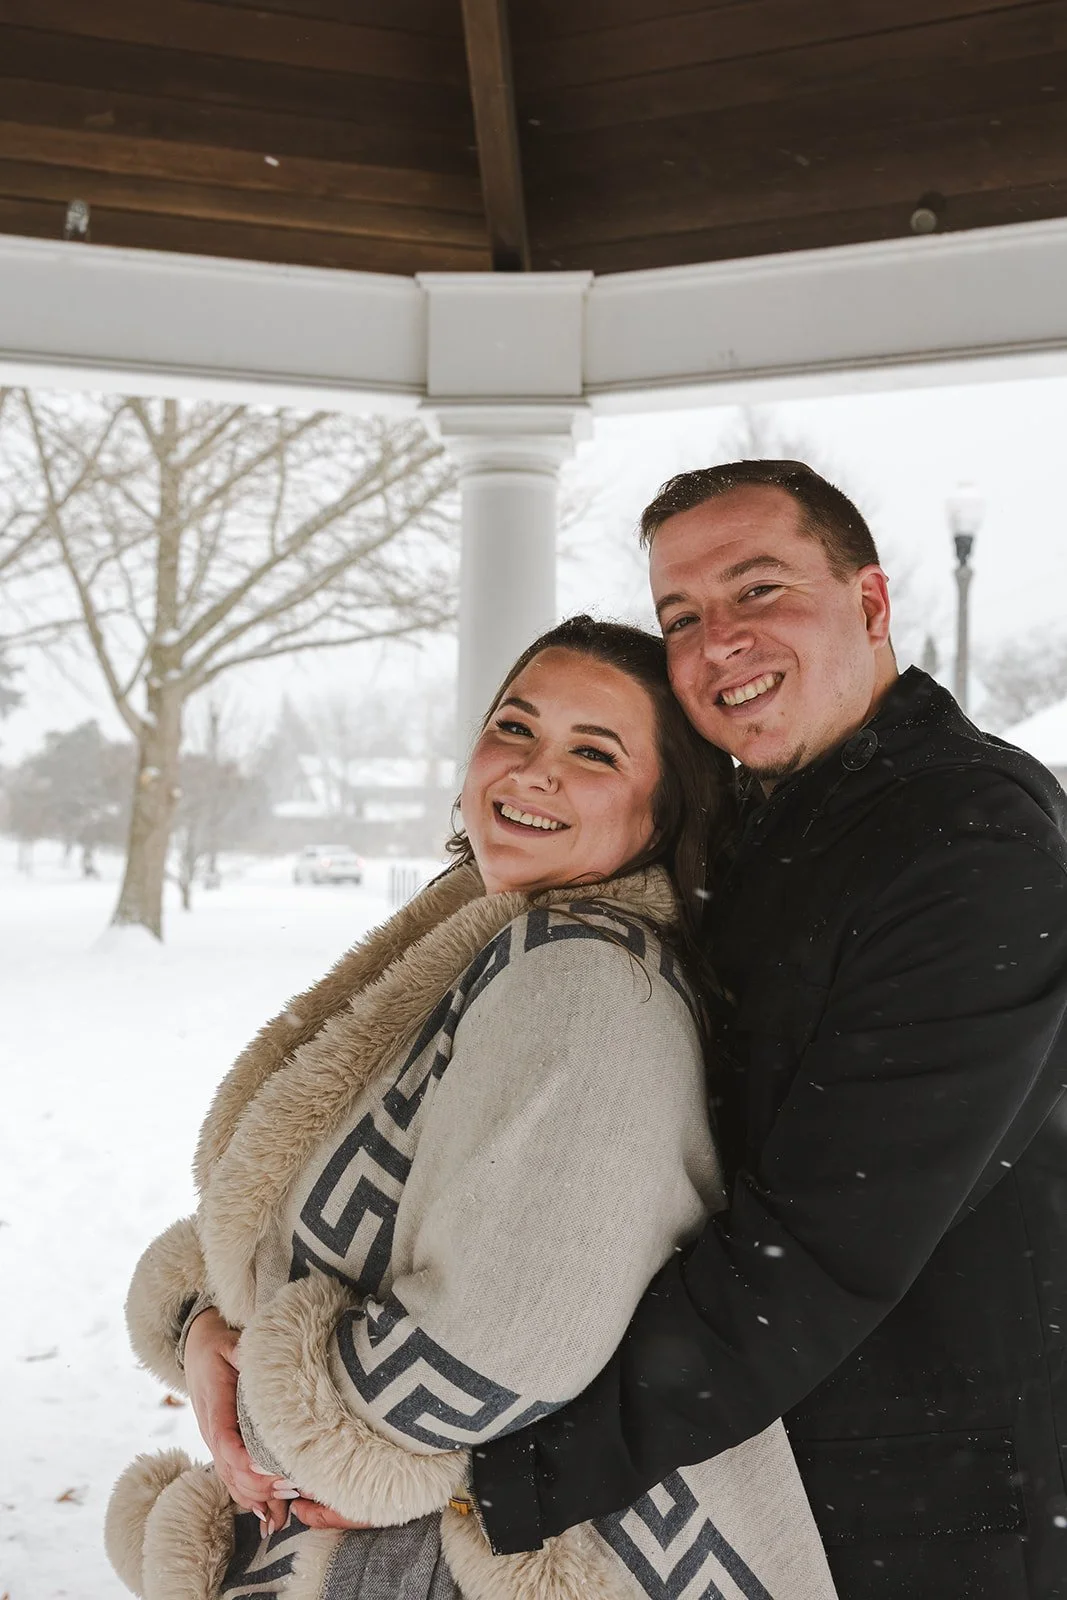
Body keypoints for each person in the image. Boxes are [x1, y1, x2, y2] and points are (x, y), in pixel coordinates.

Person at [104, 616, 839, 1600]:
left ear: (662, 806)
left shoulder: (585, 981)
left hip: (456, 1560)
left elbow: (504, 1338)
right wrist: (203, 1322)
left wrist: (273, 1423)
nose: (534, 770)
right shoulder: (500, 940)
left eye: (592, 751)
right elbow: (308, 1192)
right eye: (514, 728)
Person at [471, 462, 1067, 1600]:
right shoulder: (737, 823)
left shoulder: (968, 845)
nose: (715, 643)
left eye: (757, 591)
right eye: (680, 616)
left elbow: (820, 1248)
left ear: (871, 604)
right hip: (732, 1480)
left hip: (914, 1512)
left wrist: (499, 1475)